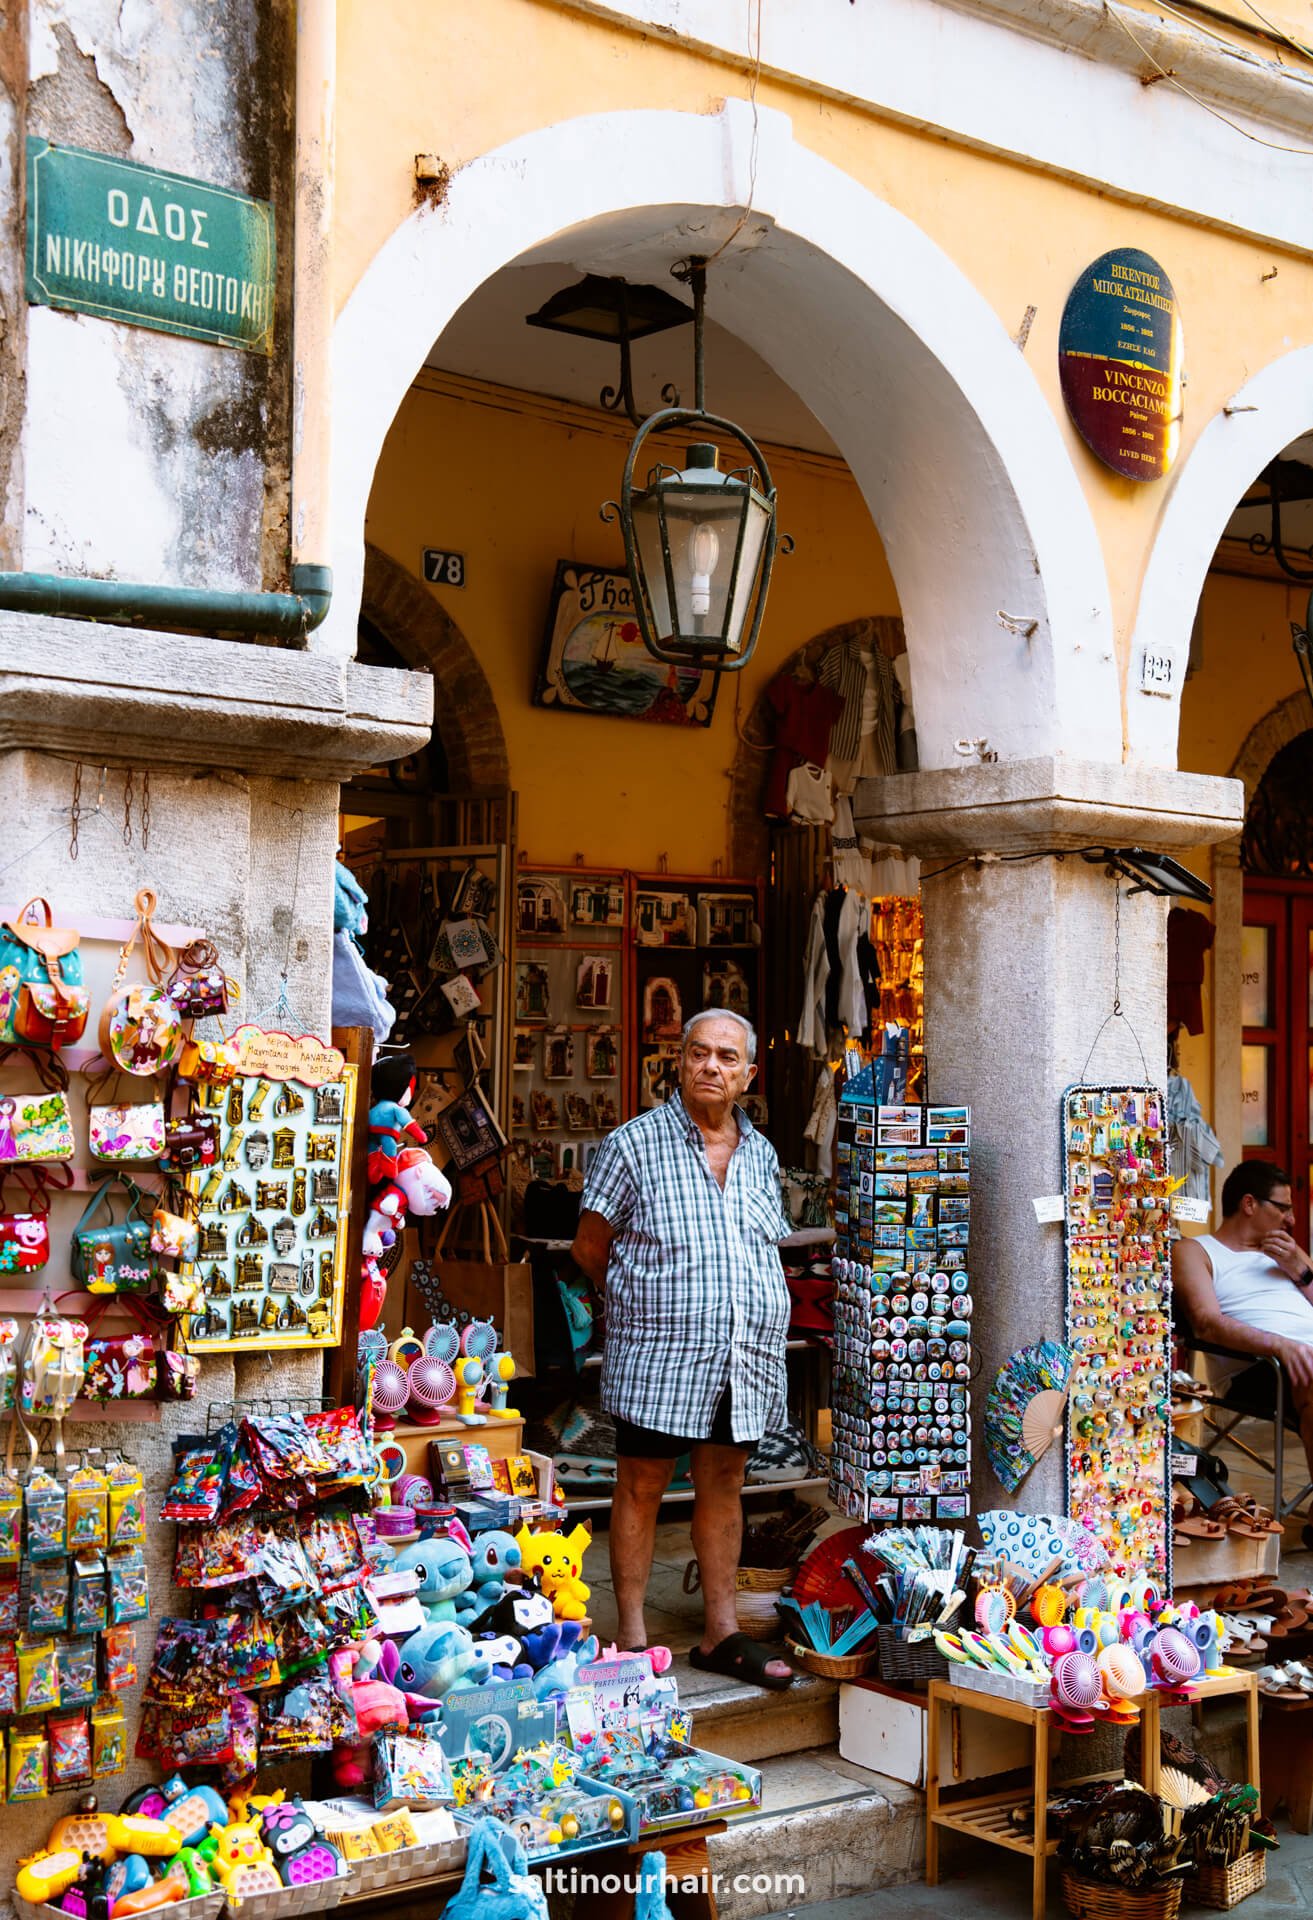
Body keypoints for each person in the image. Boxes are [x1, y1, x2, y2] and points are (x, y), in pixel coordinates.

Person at [571, 1009, 795, 1689]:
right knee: (640, 1484)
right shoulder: (632, 1145)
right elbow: (588, 1246)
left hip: (741, 1355)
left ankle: (719, 1632)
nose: (711, 1067)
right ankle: (632, 1636)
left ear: (747, 1074)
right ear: (679, 1061)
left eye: (727, 1058)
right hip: (659, 1357)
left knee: (723, 1482)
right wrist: (645, 1304)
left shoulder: (761, 1153)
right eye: (699, 1054)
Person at [1172, 1159, 1313, 1484]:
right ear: (1249, 1203)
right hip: (1260, 1367)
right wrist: (1282, 1345)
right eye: (1283, 1208)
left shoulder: (1287, 1252)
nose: (1291, 1219)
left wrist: (1301, 1270)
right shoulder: (1196, 1251)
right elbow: (1207, 1323)